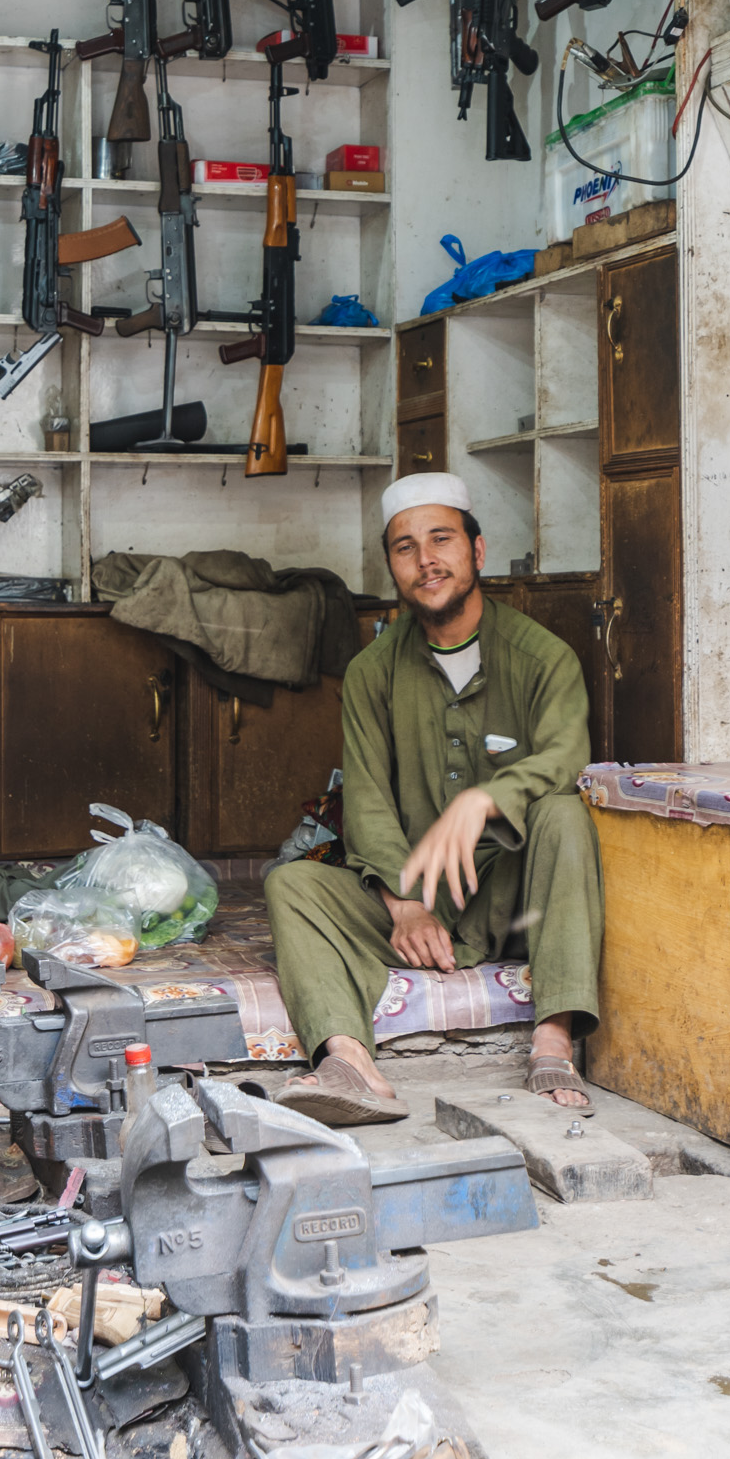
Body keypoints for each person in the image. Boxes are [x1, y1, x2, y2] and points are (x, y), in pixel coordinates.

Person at [265, 473, 603, 1126]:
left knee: (564, 812)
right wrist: (406, 905)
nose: (426, 560)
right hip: (417, 896)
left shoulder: (543, 659)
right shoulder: (372, 673)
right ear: (391, 565)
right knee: (291, 885)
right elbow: (366, 804)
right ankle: (348, 1060)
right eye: (405, 547)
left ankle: (555, 1034)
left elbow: (566, 758)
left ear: (477, 551)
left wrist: (488, 798)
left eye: (442, 539)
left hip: (513, 897)